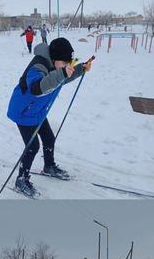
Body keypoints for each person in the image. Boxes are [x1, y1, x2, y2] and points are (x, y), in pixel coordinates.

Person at [7, 36, 93, 197]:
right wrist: (61, 73)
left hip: (37, 111)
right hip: (23, 112)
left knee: (49, 139)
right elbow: (37, 88)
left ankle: (49, 166)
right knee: (32, 147)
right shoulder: (37, 67)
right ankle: (21, 180)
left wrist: (81, 69)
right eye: (65, 63)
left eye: (69, 63)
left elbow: (62, 78)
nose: (67, 66)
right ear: (54, 58)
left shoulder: (57, 65)